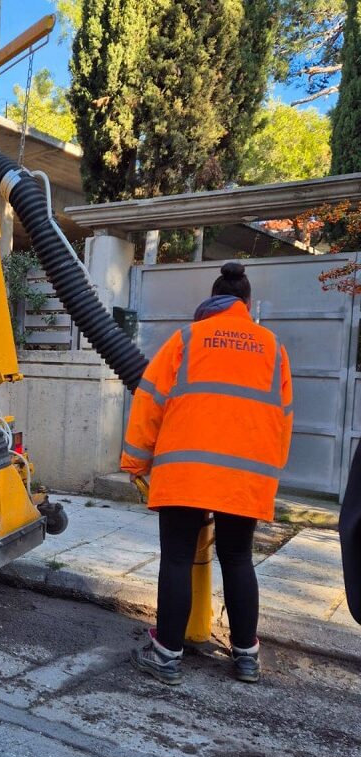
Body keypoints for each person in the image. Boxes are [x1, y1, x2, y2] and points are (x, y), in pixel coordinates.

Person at [121, 261, 293, 685]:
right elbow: (282, 418)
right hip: (244, 477)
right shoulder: (273, 349)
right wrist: (266, 474)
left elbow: (149, 403)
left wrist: (136, 462)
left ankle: (166, 657)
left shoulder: (185, 339)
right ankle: (247, 656)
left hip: (185, 473)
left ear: (210, 303)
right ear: (246, 305)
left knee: (177, 559)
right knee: (238, 558)